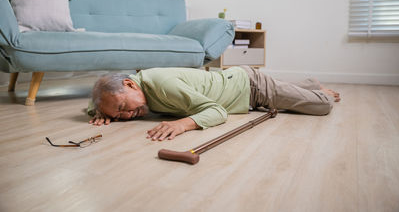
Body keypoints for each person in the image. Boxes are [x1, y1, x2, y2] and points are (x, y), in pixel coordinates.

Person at [88, 66, 340, 141]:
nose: (128, 115)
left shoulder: (163, 86)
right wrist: (101, 112)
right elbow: (95, 102)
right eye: (119, 116)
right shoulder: (134, 89)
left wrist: (183, 124)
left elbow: (217, 111)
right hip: (234, 84)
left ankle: (315, 90)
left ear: (131, 85)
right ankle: (305, 85)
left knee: (321, 106)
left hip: (251, 88)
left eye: (123, 108)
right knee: (288, 92)